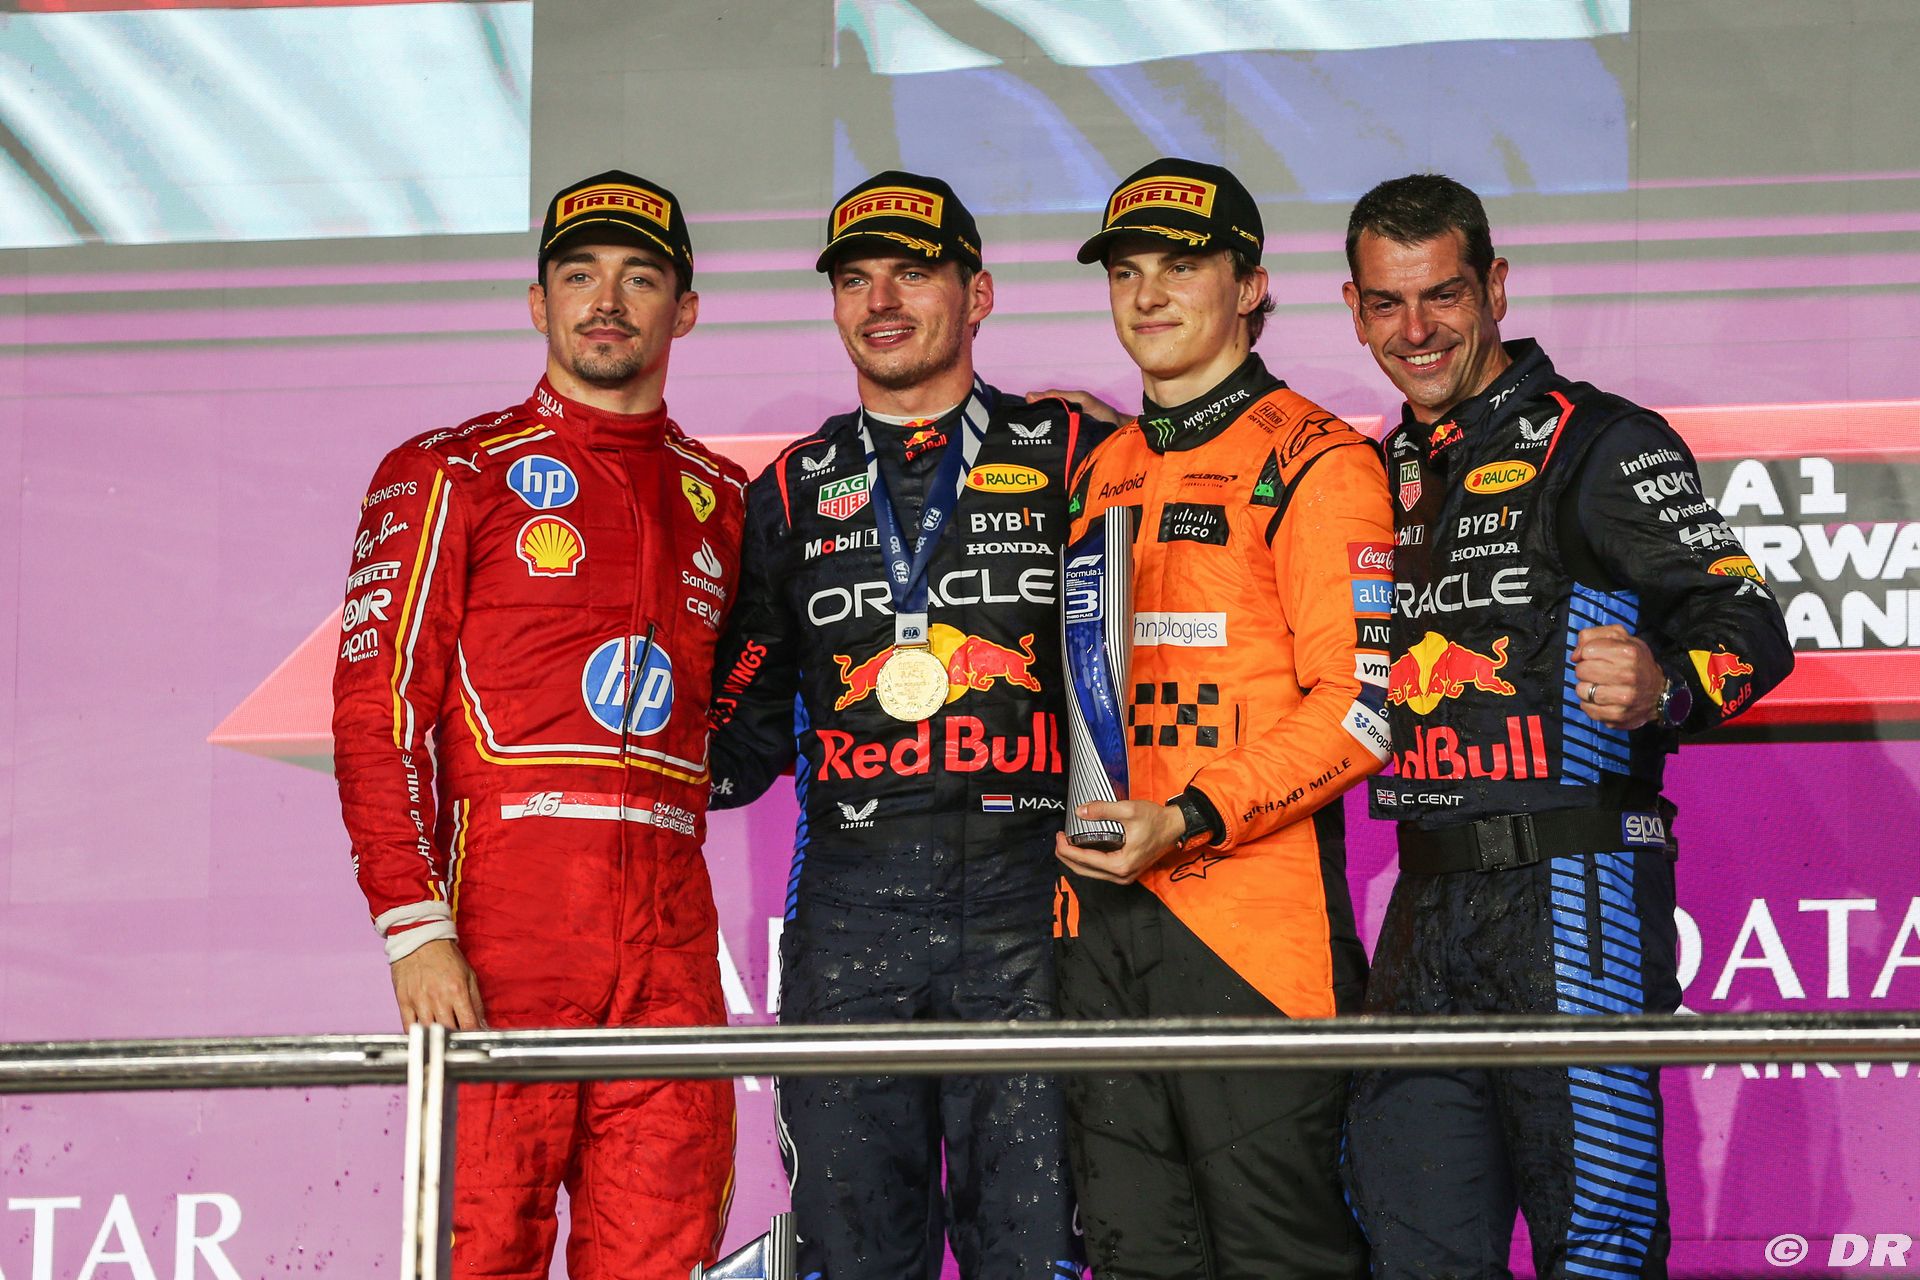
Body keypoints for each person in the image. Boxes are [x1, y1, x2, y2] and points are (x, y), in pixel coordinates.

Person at [1337, 173, 1795, 1280]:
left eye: (1443, 296)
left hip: (1574, 892)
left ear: (1494, 287)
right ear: (1355, 310)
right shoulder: (1373, 472)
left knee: (1597, 1249)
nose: (1416, 330)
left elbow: (1752, 621)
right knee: (1414, 1251)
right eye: (1388, 303)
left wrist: (1667, 684)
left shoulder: (1600, 444)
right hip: (1424, 902)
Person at [331, 169, 744, 1280]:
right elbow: (377, 712)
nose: (606, 300)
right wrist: (415, 927)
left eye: (639, 278)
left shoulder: (722, 498)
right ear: (537, 302)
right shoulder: (451, 471)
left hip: (671, 955)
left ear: (684, 311)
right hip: (501, 935)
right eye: (579, 275)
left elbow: (738, 708)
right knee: (476, 1252)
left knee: (665, 1257)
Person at [705, 171, 1100, 1280]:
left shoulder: (1075, 450)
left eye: (912, 273)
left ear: (979, 294)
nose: (881, 300)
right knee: (853, 1254)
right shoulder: (789, 490)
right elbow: (743, 736)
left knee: (1038, 1251)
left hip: (1036, 905)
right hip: (850, 915)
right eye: (855, 279)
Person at [1054, 157, 1390, 1280]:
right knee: (1136, 1255)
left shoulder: (1319, 458)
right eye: (1126, 272)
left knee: (1280, 1256)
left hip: (1253, 933)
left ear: (1249, 286)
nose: (1148, 295)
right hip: (1099, 926)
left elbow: (1362, 710)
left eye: (1181, 267)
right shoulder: (1099, 468)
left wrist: (1191, 816)